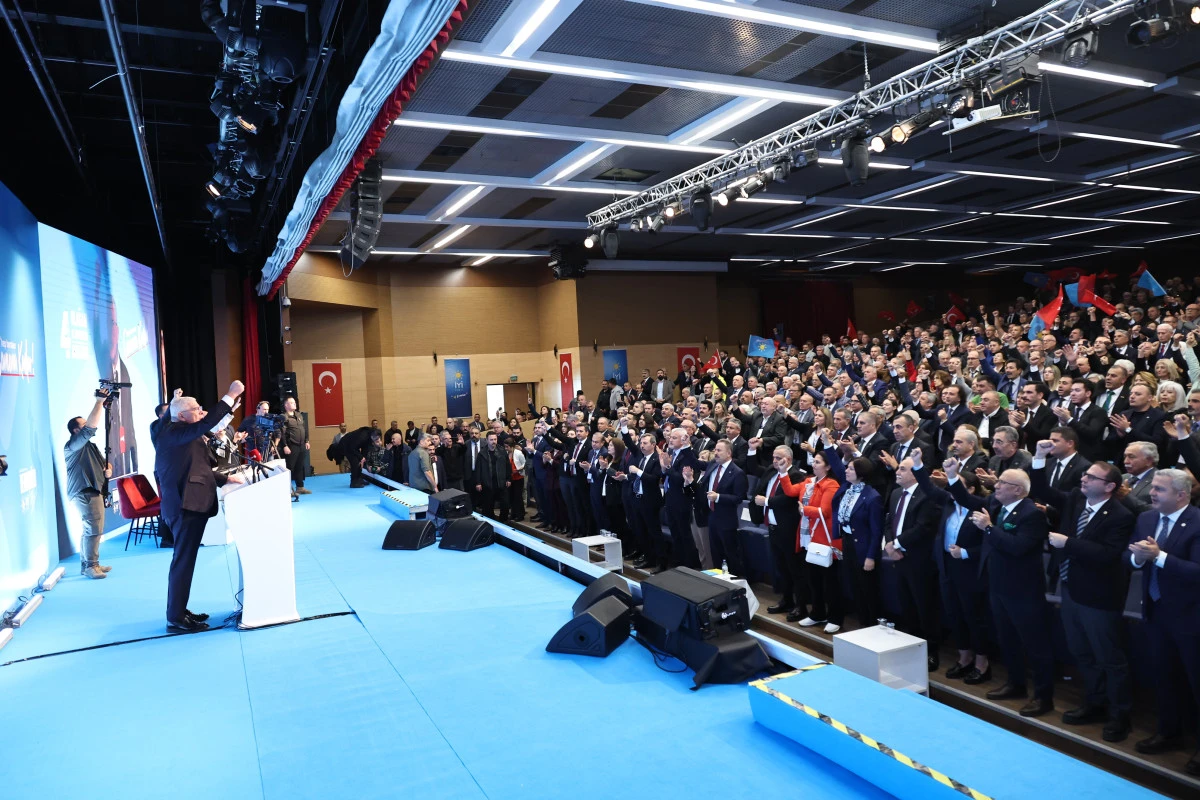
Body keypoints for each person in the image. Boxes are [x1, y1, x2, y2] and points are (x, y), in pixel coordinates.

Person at [1030, 447, 1136, 741]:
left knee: (1110, 659)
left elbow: (1108, 554)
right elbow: (1040, 489)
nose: (1084, 479)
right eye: (1085, 475)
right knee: (1082, 653)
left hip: (1100, 597)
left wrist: (1069, 543)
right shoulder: (1078, 498)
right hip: (1072, 590)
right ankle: (1094, 703)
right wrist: (1039, 457)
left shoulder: (1120, 515)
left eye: (1091, 477)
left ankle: (1119, 716)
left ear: (1109, 486)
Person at [945, 458, 1055, 718]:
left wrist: (990, 529)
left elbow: (1018, 547)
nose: (996, 486)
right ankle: (1015, 684)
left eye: (1003, 483)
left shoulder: (1033, 514)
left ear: (1018, 489)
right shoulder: (997, 504)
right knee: (1007, 639)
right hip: (998, 585)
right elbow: (969, 500)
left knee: (1035, 644)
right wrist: (952, 477)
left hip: (1024, 590)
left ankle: (1043, 697)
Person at [155, 381, 247, 632]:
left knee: (185, 561)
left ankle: (178, 609)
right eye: (196, 409)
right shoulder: (173, 433)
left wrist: (226, 479)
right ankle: (175, 618)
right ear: (182, 416)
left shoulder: (183, 434)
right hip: (184, 507)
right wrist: (229, 396)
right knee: (183, 562)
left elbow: (200, 468)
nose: (200, 412)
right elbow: (206, 424)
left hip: (190, 505)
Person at [1127, 469, 1200, 773]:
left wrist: (1158, 557)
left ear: (1182, 495)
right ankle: (1168, 732)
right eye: (1153, 488)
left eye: (1160, 489)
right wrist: (1137, 559)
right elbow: (1128, 556)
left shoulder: (1198, 521)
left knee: (1196, 682)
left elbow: (1196, 571)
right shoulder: (1146, 519)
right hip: (1156, 612)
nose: (1152, 493)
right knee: (1164, 675)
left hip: (1191, 616)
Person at [911, 449, 991, 685]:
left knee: (973, 617)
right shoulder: (947, 502)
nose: (952, 489)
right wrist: (917, 464)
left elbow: (989, 545)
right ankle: (964, 657)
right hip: (947, 567)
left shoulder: (981, 507)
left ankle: (981, 663)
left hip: (970, 570)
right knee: (955, 615)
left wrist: (965, 552)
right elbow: (928, 488)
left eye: (959, 485)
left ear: (972, 490)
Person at [881, 453, 943, 670]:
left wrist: (896, 544)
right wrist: (890, 544)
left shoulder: (928, 495)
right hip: (898, 558)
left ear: (917, 474)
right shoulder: (897, 493)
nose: (897, 471)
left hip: (920, 559)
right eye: (898, 469)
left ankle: (931, 650)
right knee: (906, 604)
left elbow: (924, 528)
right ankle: (911, 644)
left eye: (903, 469)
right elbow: (889, 522)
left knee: (925, 606)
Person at [780, 447, 842, 631]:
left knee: (829, 581)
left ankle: (835, 618)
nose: (813, 465)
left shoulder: (831, 484)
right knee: (812, 579)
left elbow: (825, 511)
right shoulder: (808, 481)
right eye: (813, 461)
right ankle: (817, 613)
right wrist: (783, 473)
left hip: (824, 537)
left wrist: (803, 510)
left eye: (817, 462)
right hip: (808, 536)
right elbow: (791, 491)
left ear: (828, 466)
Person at [751, 446, 808, 619]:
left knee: (794, 569)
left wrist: (767, 501)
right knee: (781, 567)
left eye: (778, 458)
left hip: (789, 529)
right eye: (773, 457)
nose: (774, 460)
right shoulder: (771, 471)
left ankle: (801, 605)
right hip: (773, 527)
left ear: (788, 460)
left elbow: (789, 500)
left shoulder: (797, 475)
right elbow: (755, 472)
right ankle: (786, 599)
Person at [65, 389, 115, 579]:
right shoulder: (73, 446)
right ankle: (90, 566)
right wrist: (99, 403)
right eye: (84, 426)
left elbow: (104, 464)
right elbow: (90, 429)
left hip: (93, 491)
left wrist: (108, 468)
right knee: (93, 528)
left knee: (92, 528)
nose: (89, 427)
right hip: (83, 492)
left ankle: (89, 564)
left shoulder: (89, 446)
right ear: (76, 431)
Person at [693, 439, 749, 578]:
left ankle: (736, 582)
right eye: (715, 450)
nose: (715, 453)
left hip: (726, 519)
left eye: (719, 450)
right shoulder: (712, 465)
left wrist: (718, 497)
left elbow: (738, 498)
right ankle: (718, 581)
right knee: (715, 552)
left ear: (729, 453)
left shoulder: (737, 473)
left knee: (730, 553)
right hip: (711, 516)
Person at [474, 431, 510, 521]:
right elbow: (478, 469)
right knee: (488, 506)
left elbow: (507, 466)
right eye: (491, 440)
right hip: (488, 483)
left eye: (495, 439)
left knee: (505, 504)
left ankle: (503, 521)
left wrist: (509, 478)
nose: (493, 441)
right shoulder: (482, 453)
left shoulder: (502, 451)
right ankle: (491, 524)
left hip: (501, 482)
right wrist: (478, 482)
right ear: (486, 440)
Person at [280, 397, 310, 495]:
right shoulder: (284, 417)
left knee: (300, 466)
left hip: (301, 445)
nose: (294, 404)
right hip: (291, 446)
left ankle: (300, 487)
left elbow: (304, 429)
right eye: (291, 403)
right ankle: (288, 489)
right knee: (289, 467)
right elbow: (282, 433)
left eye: (294, 402)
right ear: (286, 405)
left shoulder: (299, 415)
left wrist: (307, 441)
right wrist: (284, 445)